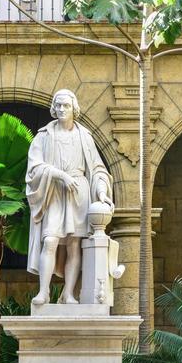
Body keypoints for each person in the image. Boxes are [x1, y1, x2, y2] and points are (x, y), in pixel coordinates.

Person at [26, 88, 113, 305]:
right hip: (54, 191)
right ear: (53, 109)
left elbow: (97, 168)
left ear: (74, 109)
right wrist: (59, 175)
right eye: (59, 105)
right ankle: (44, 292)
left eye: (66, 105)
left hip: (79, 192)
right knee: (50, 240)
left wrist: (101, 191)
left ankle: (68, 293)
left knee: (75, 244)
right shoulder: (43, 136)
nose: (62, 109)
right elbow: (34, 168)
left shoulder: (84, 136)